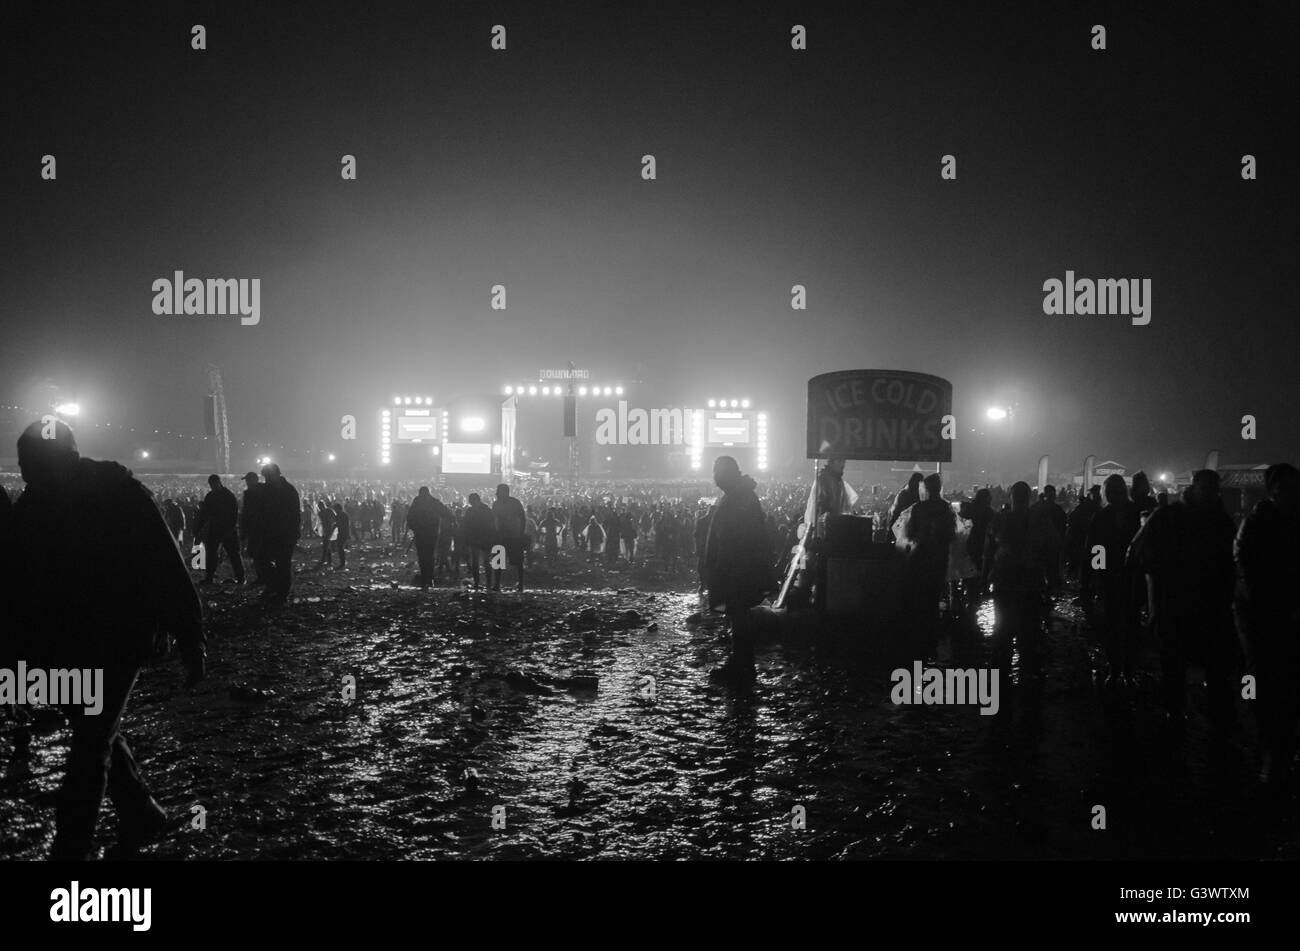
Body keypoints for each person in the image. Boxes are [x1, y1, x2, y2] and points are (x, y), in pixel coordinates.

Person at [0, 420, 205, 860]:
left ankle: (71, 850)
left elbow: (166, 566)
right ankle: (142, 812)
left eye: (31, 464)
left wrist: (192, 638)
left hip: (117, 638)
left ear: (65, 460)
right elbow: (16, 582)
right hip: (75, 640)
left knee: (90, 743)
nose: (25, 474)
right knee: (95, 729)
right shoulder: (42, 503)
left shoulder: (117, 497)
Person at [1131, 469, 1237, 730]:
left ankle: (1218, 722)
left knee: (1215, 666)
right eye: (1205, 490)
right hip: (1174, 604)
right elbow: (1139, 554)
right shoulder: (1168, 517)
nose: (1209, 495)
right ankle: (1174, 717)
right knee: (1174, 664)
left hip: (1211, 607)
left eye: (1213, 491)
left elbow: (1234, 564)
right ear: (1194, 488)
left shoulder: (1222, 522)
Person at [1233, 463, 1300, 786]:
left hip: (1285, 617)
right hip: (1264, 621)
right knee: (1268, 687)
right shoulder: (1257, 524)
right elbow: (1248, 574)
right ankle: (1272, 752)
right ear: (1273, 490)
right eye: (1286, 488)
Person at [703, 456, 772, 687]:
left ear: (728, 472)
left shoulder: (741, 498)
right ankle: (741, 662)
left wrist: (725, 566)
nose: (714, 476)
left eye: (716, 471)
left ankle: (742, 665)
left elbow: (739, 538)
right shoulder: (738, 495)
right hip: (735, 568)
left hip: (738, 570)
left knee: (739, 615)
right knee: (737, 616)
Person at [1083, 475, 1141, 686]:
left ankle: (1127, 670)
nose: (1112, 496)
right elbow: (1095, 548)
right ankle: (1117, 668)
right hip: (1112, 578)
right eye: (1110, 492)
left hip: (1131, 577)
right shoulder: (1103, 516)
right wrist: (1098, 575)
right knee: (1113, 625)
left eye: (1115, 492)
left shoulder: (1136, 514)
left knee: (1130, 625)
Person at [902, 473, 957, 652]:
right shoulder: (947, 509)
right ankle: (931, 633)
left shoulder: (918, 508)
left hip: (920, 557)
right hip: (939, 558)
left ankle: (918, 635)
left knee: (918, 595)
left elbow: (909, 534)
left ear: (925, 489)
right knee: (933, 596)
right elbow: (952, 535)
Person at [257, 463, 300, 605]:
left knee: (283, 564)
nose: (266, 480)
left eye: (268, 477)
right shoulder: (267, 491)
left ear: (276, 475)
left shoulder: (289, 491)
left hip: (285, 534)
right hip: (269, 533)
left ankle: (282, 593)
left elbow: (294, 515)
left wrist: (294, 533)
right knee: (262, 560)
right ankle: (273, 586)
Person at [196, 474, 245, 584]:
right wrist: (200, 528)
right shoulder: (213, 496)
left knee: (233, 555)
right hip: (216, 529)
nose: (212, 486)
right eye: (211, 485)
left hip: (227, 530)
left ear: (218, 483)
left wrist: (230, 528)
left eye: (213, 484)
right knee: (213, 554)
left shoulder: (227, 496)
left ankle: (241, 578)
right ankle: (209, 577)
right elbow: (205, 514)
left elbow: (233, 514)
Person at [406, 487, 449, 590]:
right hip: (430, 534)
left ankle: (426, 578)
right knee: (427, 556)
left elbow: (410, 517)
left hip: (425, 534)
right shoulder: (433, 502)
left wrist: (414, 527)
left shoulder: (418, 502)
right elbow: (446, 513)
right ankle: (428, 578)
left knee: (424, 556)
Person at [491, 483, 527, 592]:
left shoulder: (501, 504)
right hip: (507, 536)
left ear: (504, 492)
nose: (497, 494)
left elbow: (522, 518)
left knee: (513, 561)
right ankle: (516, 584)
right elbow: (523, 518)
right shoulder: (513, 503)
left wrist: (520, 533)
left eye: (498, 492)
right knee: (503, 561)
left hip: (509, 536)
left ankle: (516, 584)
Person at [239, 471, 268, 585]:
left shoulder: (252, 493)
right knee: (257, 554)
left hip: (258, 528)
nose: (246, 482)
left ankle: (264, 577)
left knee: (259, 554)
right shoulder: (265, 490)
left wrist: (244, 530)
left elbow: (246, 513)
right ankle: (263, 576)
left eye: (248, 480)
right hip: (260, 528)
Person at [462, 492, 495, 588]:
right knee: (478, 562)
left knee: (482, 562)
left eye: (472, 501)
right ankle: (480, 582)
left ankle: (484, 583)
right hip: (479, 539)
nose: (471, 503)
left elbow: (466, 525)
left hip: (483, 539)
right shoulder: (484, 509)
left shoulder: (475, 510)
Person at [888, 472, 925, 542]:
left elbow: (895, 515)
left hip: (903, 532)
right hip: (910, 533)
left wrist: (889, 534)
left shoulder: (903, 494)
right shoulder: (920, 497)